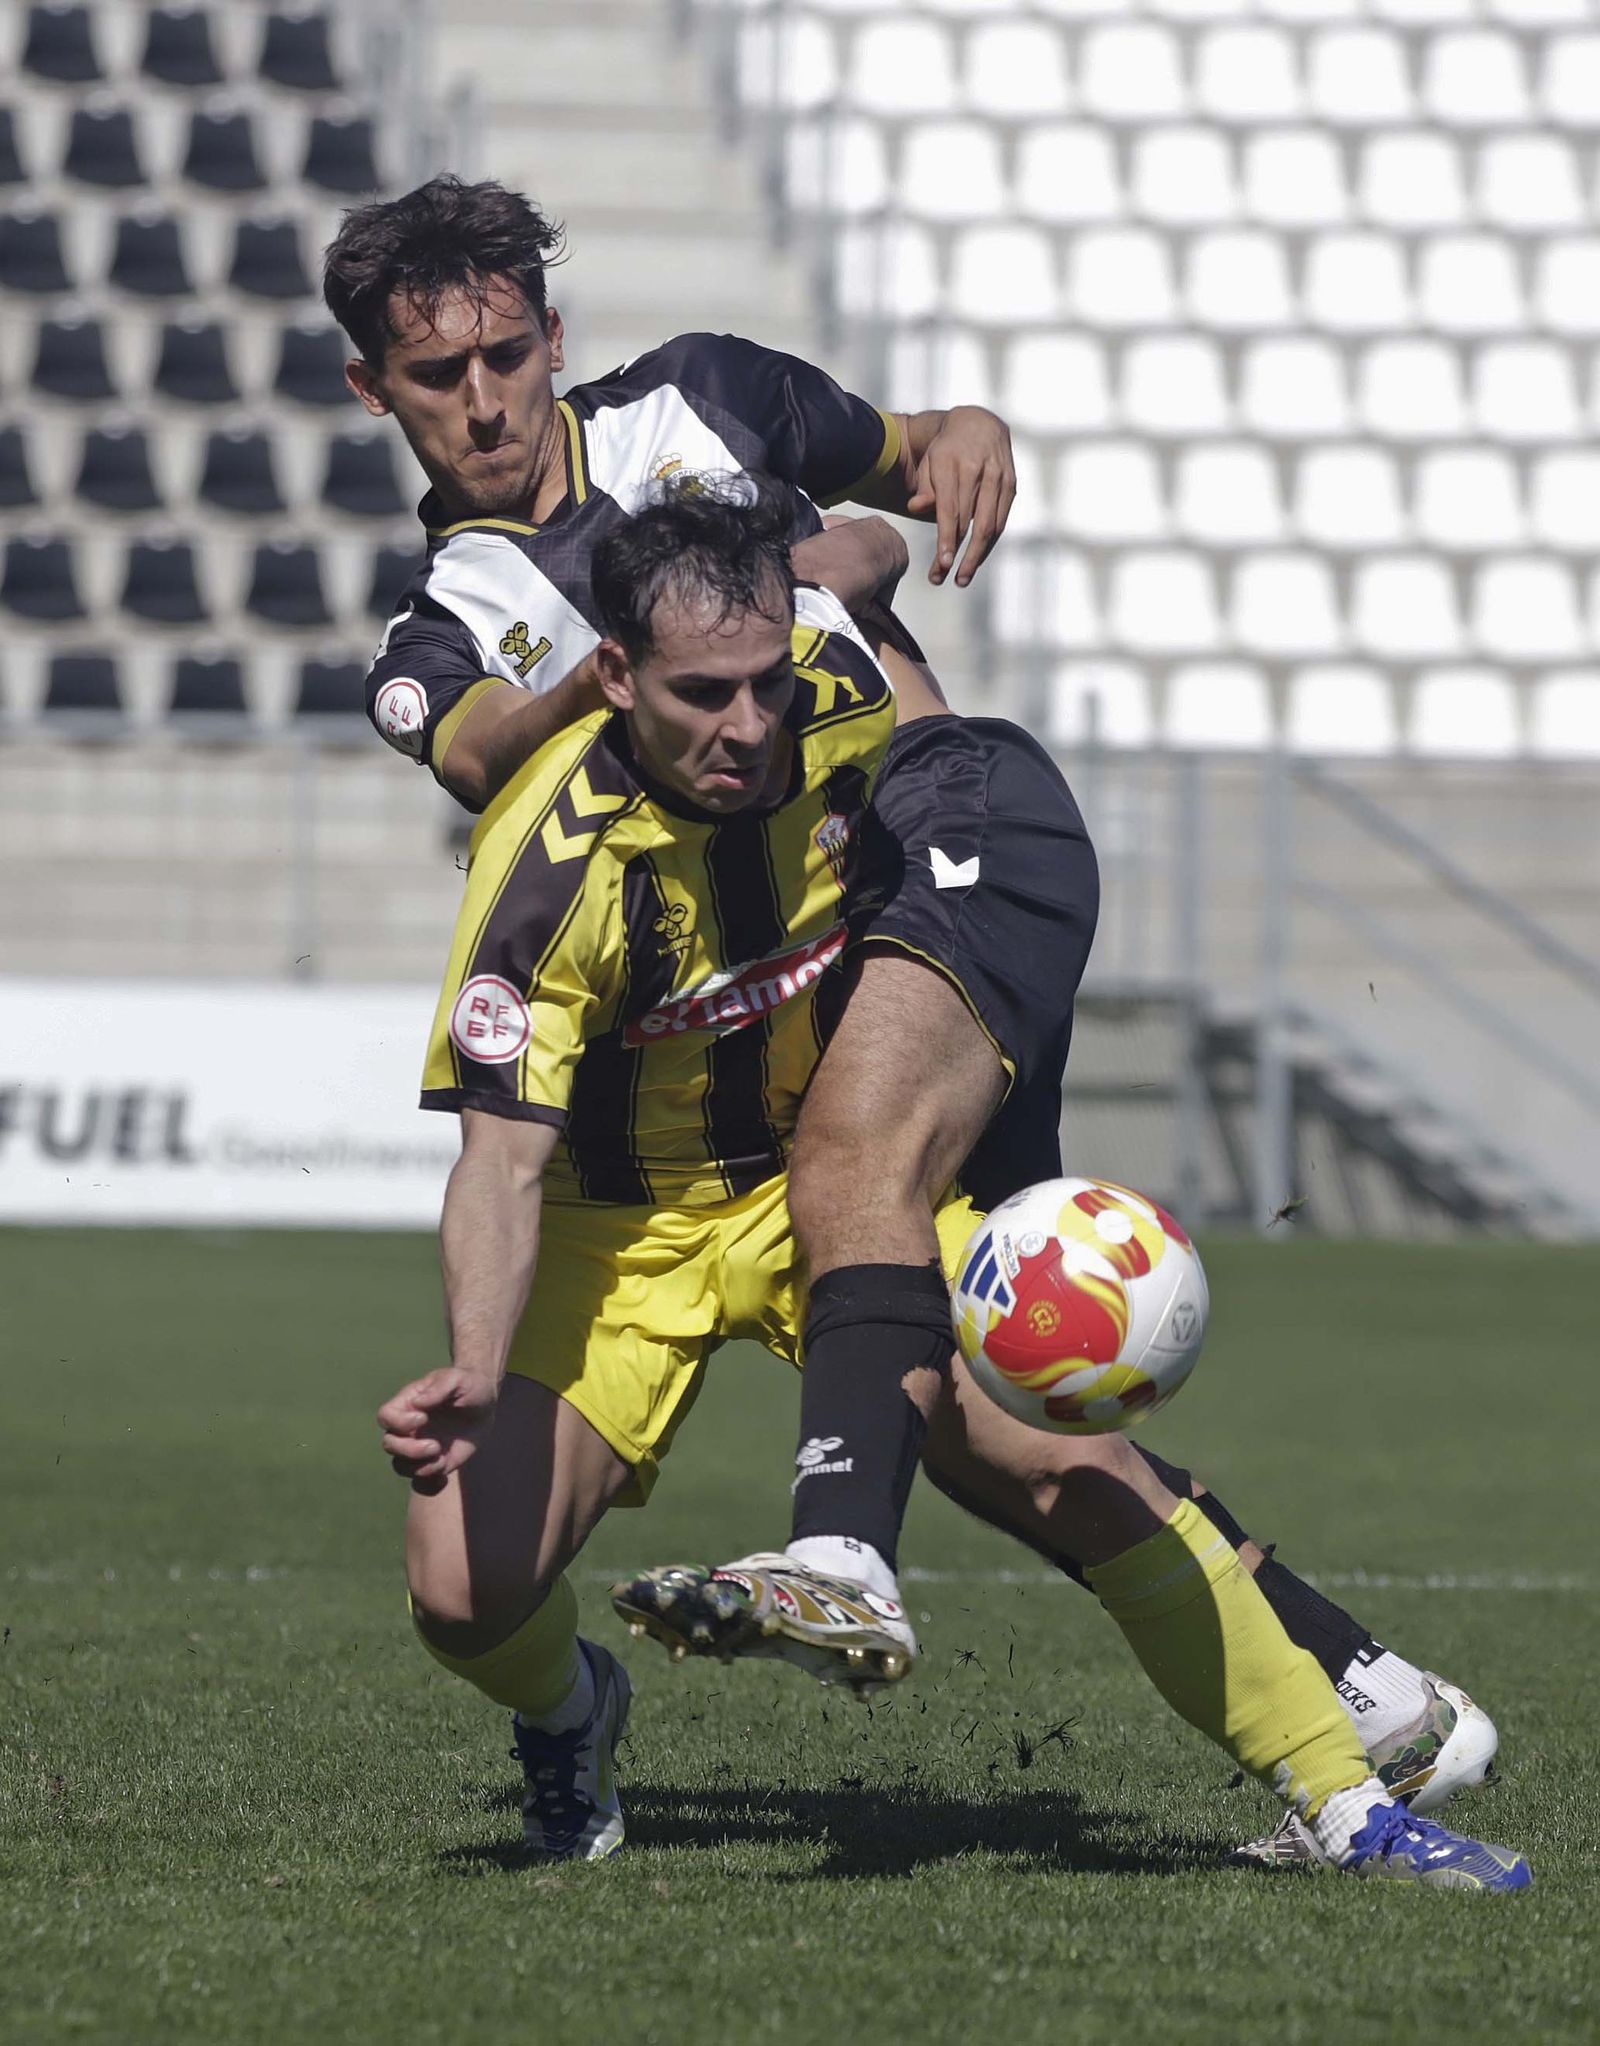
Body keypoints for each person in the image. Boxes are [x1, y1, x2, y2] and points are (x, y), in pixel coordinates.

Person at [327, 176, 1504, 1864]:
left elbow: (905, 467)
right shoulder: (447, 638)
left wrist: (959, 441)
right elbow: (470, 744)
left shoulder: (707, 398)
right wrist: (655, 654)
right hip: (638, 1189)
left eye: (508, 354)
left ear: (553, 336)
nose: (486, 399)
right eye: (439, 376)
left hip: (901, 928)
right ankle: (584, 1710)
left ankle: (1319, 1762)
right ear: (375, 389)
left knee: (994, 1388)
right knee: (464, 1584)